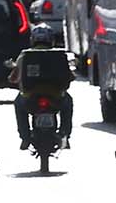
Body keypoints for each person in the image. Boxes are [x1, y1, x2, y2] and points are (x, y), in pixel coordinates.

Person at [10, 26, 75, 154]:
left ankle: (25, 137)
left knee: (18, 104)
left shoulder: (25, 55)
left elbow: (13, 77)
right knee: (68, 103)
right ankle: (64, 134)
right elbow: (70, 76)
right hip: (56, 97)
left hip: (30, 98)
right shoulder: (59, 56)